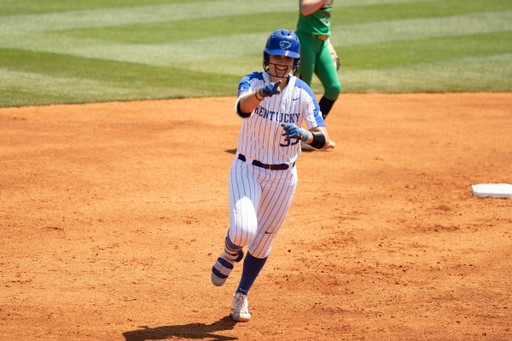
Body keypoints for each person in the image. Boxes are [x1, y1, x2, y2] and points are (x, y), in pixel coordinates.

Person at [211, 29, 330, 322]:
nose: (282, 62)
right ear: (267, 58)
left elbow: (323, 137)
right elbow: (242, 108)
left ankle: (241, 295)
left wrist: (305, 134)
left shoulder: (302, 92)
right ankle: (229, 252)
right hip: (247, 168)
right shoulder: (252, 81)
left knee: (262, 244)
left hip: (283, 178)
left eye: (288, 58)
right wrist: (263, 93)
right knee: (242, 232)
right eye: (277, 56)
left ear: (296, 62)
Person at [295, 0, 340, 150]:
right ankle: (293, 136)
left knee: (333, 88)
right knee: (299, 92)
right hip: (305, 41)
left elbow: (323, 19)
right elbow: (305, 8)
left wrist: (328, 44)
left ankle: (316, 134)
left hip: (322, 43)